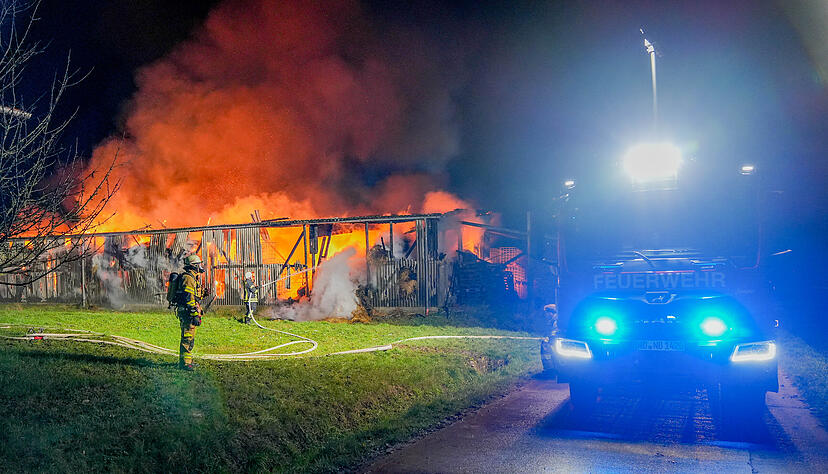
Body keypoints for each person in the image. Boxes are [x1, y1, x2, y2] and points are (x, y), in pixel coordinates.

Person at [177, 254, 205, 370]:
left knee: (189, 337)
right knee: (187, 337)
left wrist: (202, 294)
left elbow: (194, 296)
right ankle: (185, 363)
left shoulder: (193, 277)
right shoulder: (188, 278)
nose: (200, 266)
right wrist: (194, 314)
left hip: (189, 311)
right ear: (194, 265)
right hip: (187, 313)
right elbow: (188, 298)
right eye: (198, 264)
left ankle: (187, 361)